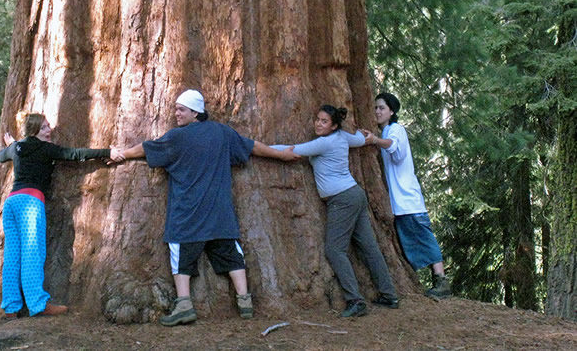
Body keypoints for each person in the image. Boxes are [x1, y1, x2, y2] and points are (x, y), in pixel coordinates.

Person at [108, 89, 300, 326]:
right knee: (231, 253)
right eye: (176, 108)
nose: (176, 113)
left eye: (181, 109)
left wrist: (122, 154)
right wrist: (280, 155)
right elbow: (252, 147)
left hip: (187, 215)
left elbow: (147, 149)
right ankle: (244, 301)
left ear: (195, 112)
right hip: (219, 213)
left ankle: (184, 305)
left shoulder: (177, 137)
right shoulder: (222, 132)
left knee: (181, 256)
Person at [271, 105, 399, 318]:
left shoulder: (324, 142)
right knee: (369, 247)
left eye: (324, 121)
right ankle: (389, 294)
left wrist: (259, 147)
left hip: (342, 200)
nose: (318, 124)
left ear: (334, 126)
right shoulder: (343, 137)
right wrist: (366, 136)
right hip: (354, 195)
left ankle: (356, 300)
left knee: (334, 249)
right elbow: (359, 139)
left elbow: (292, 150)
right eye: (317, 119)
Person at [0, 111, 117, 318]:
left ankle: (11, 307)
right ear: (34, 130)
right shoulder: (45, 149)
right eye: (44, 127)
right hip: (30, 203)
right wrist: (107, 151)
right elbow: (75, 154)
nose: (49, 130)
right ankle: (37, 304)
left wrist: (12, 145)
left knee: (13, 256)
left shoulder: (18, 148)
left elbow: (0, 157)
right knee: (33, 253)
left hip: (12, 203)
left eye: (48, 126)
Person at [362, 92, 451, 299]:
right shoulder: (386, 132)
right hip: (399, 203)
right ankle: (435, 281)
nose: (377, 111)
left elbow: (395, 148)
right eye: (375, 107)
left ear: (392, 111)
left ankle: (442, 281)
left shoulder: (396, 130)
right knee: (410, 243)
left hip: (409, 201)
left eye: (382, 108)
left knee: (425, 239)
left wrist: (375, 139)